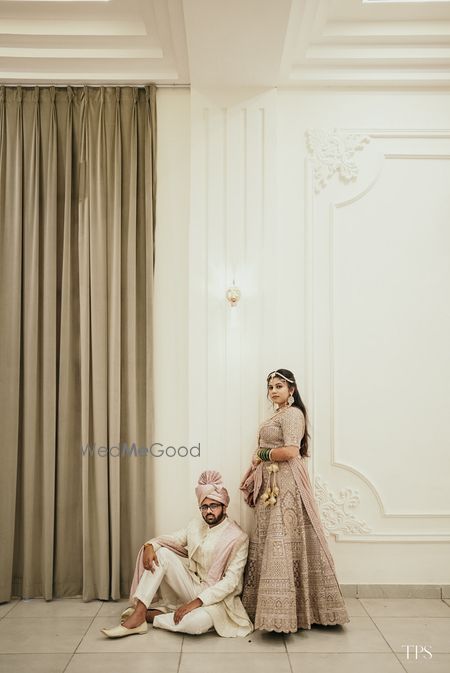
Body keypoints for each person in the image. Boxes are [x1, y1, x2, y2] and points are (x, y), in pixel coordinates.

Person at [240, 368, 350, 633]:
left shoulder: (293, 414)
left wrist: (261, 454)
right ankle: (269, 609)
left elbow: (291, 450)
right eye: (270, 387)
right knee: (272, 538)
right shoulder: (278, 415)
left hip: (286, 483)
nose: (273, 391)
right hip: (271, 483)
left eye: (279, 386)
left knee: (282, 538)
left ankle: (289, 613)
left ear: (291, 390)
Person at [101, 470, 253, 638]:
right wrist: (150, 545)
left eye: (214, 506)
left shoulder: (238, 537)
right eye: (204, 507)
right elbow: (173, 539)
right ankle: (138, 615)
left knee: (194, 624)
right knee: (163, 553)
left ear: (224, 507)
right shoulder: (196, 525)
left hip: (217, 599)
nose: (208, 511)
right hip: (192, 585)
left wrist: (195, 603)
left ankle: (149, 616)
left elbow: (231, 582)